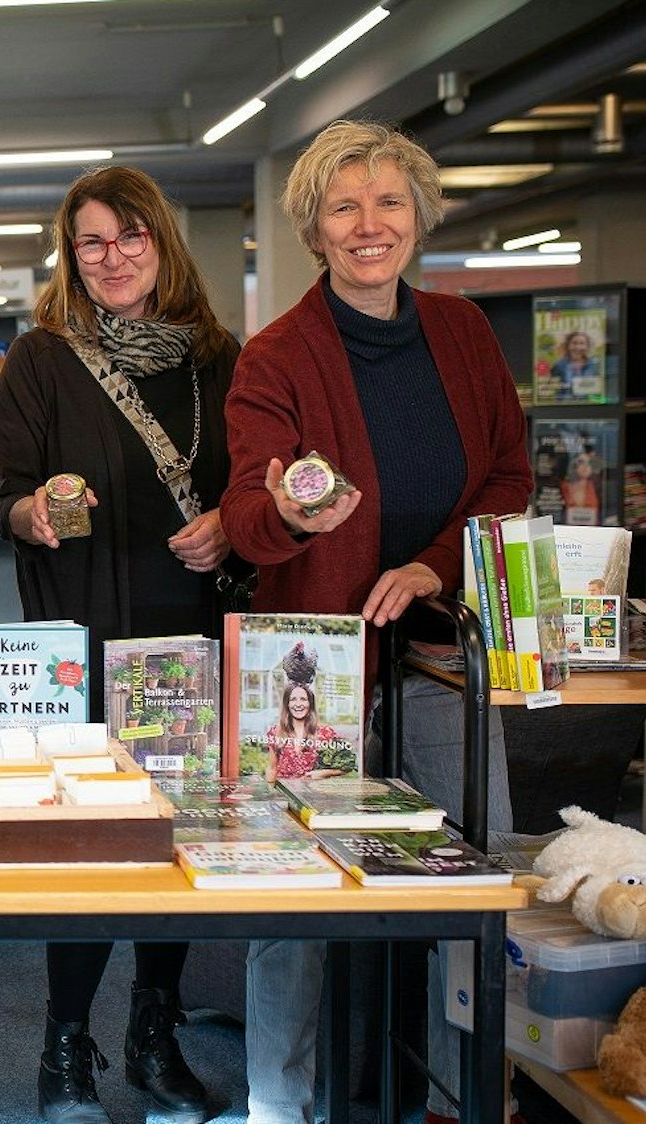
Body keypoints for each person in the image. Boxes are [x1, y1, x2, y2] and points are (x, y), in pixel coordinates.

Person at [221, 119, 531, 1124]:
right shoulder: (275, 354)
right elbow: (244, 516)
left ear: (419, 216)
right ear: (313, 228)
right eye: (343, 206)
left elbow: (505, 477)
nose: (368, 224)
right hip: (312, 668)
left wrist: (430, 565)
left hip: (443, 655)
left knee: (465, 898)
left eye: (388, 202)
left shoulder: (464, 333)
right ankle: (282, 1102)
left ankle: (457, 1099)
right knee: (292, 908)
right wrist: (292, 513)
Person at [0, 165, 236, 1124]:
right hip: (84, 638)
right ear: (71, 254)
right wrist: (39, 514)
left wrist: (228, 522)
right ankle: (63, 1047)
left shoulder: (220, 357)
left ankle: (152, 1030)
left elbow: (249, 485)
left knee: (171, 841)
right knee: (85, 846)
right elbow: (2, 492)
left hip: (190, 637)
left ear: (160, 242)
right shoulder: (42, 357)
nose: (112, 256)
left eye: (129, 236)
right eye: (91, 241)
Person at [261, 682, 345, 783]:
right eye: (293, 699)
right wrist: (269, 793)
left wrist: (323, 773)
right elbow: (272, 768)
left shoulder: (325, 733)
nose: (298, 704)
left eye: (303, 699)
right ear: (287, 704)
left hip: (315, 795)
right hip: (285, 794)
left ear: (310, 704)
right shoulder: (276, 732)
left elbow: (345, 767)